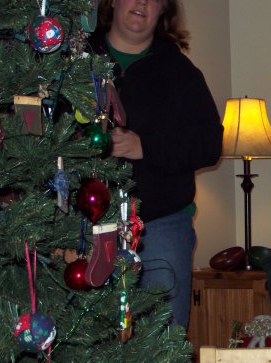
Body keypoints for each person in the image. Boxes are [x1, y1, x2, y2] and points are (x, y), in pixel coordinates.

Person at [89, 0, 223, 329]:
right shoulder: (79, 58)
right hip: (83, 227)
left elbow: (210, 142)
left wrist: (146, 147)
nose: (142, 3)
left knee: (162, 341)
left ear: (163, 10)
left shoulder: (179, 70)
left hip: (159, 226)